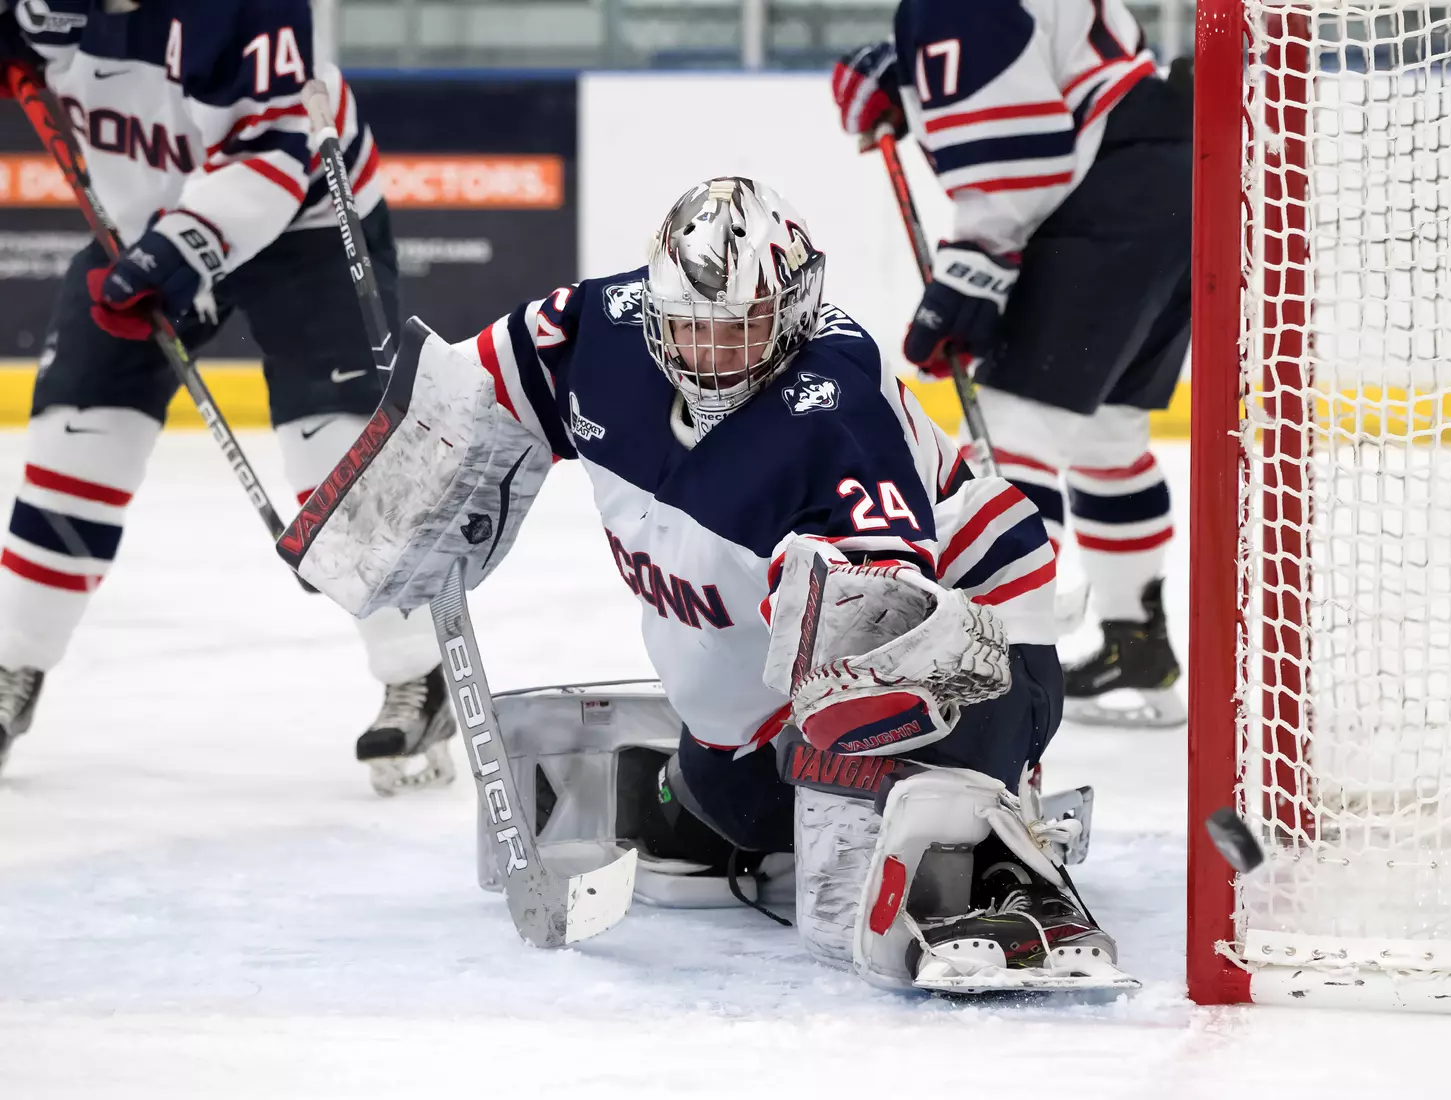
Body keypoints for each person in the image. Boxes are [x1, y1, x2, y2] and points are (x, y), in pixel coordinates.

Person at [283, 176, 1135, 992]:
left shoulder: (831, 411)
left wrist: (869, 740)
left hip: (968, 636)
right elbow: (486, 380)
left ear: (792, 314)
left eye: (741, 327)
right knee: (729, 809)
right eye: (691, 328)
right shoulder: (605, 331)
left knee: (844, 843)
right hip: (766, 673)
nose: (713, 353)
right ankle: (794, 785)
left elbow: (891, 627)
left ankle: (997, 841)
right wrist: (416, 484)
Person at [0, 0, 451, 793]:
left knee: (334, 452)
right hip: (142, 215)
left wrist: (179, 253)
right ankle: (13, 665)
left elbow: (272, 149)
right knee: (77, 442)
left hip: (303, 206)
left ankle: (418, 673)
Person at [831, 0, 1193, 726]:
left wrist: (973, 275)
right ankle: (1137, 646)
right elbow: (1053, 66)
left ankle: (1005, 664)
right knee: (1105, 438)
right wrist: (907, 78)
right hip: (1174, 183)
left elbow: (1019, 158)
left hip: (1104, 208)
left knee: (1010, 426)